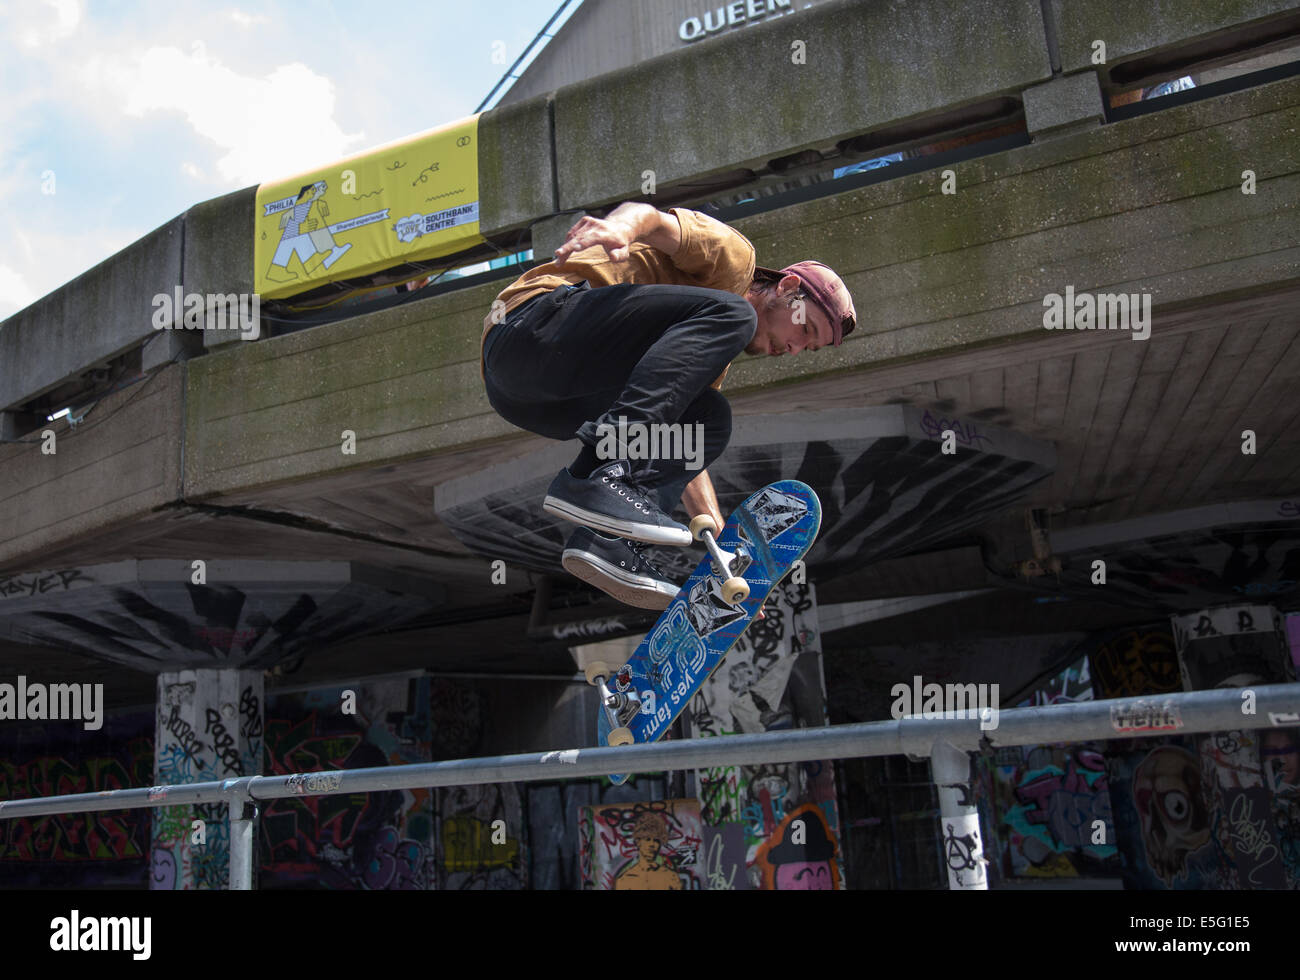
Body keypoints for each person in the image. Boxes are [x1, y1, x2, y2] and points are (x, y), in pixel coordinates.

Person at [480, 201, 854, 609]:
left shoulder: (697, 349)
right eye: (805, 327)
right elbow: (651, 219)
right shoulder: (734, 260)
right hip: (529, 331)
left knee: (708, 417)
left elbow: (678, 446)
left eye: (808, 348)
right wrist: (620, 229)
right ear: (785, 288)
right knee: (734, 315)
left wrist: (722, 553)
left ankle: (605, 540)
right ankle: (597, 475)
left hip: (537, 402)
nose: (795, 348)